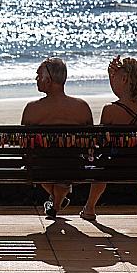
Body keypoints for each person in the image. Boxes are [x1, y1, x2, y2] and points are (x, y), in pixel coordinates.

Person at [81, 55, 137, 222]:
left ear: (124, 79)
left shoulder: (110, 110)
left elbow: (101, 141)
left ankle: (90, 207)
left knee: (101, 165)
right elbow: (124, 95)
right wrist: (112, 75)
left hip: (114, 162)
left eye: (116, 77)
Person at [21, 57, 93, 218]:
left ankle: (55, 201)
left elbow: (24, 144)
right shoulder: (82, 107)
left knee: (34, 163)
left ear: (49, 80)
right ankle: (56, 201)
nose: (36, 79)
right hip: (74, 167)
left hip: (40, 168)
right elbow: (90, 142)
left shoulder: (32, 109)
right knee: (63, 169)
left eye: (39, 75)